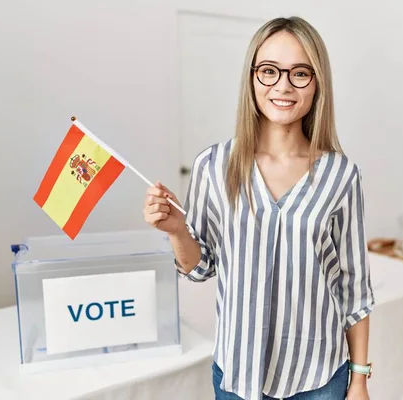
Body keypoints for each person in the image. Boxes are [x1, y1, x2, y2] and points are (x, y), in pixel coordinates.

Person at [143, 16, 374, 400]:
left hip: (318, 377)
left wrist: (360, 379)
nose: (282, 85)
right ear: (252, 78)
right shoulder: (213, 165)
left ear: (317, 84)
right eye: (269, 71)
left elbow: (354, 289)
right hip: (238, 376)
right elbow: (200, 269)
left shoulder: (342, 175)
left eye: (300, 73)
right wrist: (177, 231)